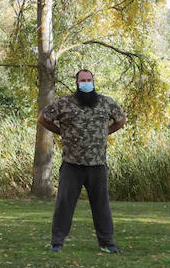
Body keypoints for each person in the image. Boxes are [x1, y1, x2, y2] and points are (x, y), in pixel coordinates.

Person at [39, 69, 126, 253]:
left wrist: (106, 132)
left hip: (97, 164)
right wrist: (61, 132)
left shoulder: (106, 102)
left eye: (89, 80)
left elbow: (121, 120)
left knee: (101, 205)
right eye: (83, 80)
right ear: (77, 83)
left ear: (94, 82)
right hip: (72, 164)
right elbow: (43, 118)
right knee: (64, 204)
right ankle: (57, 243)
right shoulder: (64, 103)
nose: (86, 83)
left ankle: (107, 243)